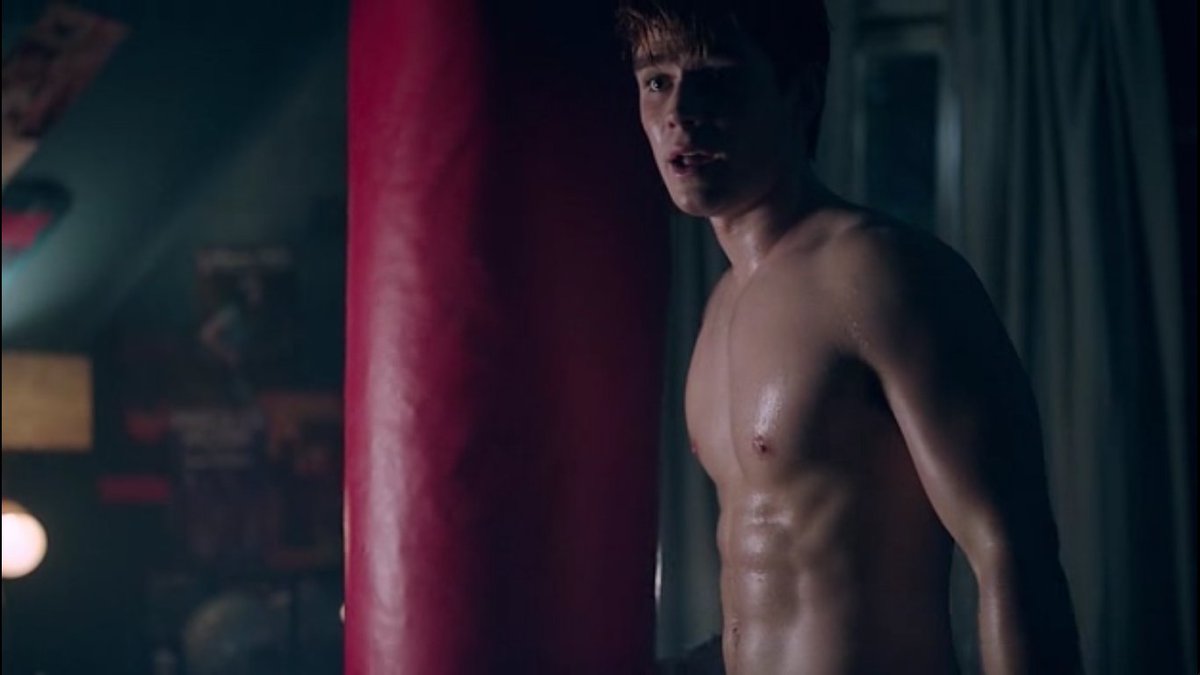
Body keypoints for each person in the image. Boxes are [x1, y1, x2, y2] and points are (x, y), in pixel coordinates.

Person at [616, 2, 1082, 673]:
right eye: (657, 81)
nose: (679, 113)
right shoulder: (721, 303)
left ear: (800, 94)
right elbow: (777, 585)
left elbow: (1010, 551)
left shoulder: (877, 271)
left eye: (716, 77)